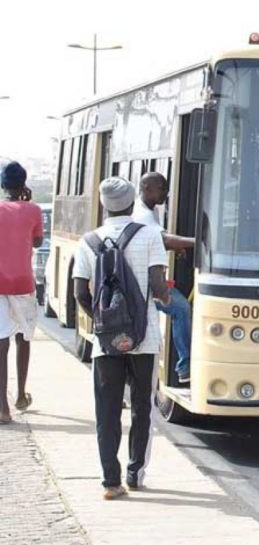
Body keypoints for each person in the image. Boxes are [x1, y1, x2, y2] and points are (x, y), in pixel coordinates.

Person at [73, 177, 170, 499]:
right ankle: (135, 474)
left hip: (106, 343)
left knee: (107, 409)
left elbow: (80, 294)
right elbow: (158, 287)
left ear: (103, 204)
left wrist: (105, 323)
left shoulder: (87, 241)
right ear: (132, 202)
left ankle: (110, 482)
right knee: (142, 407)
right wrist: (165, 300)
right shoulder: (151, 235)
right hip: (145, 338)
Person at [133, 172, 193, 384]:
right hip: (144, 283)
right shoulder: (142, 214)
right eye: (162, 189)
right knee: (182, 308)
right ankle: (185, 367)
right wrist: (197, 242)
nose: (166, 193)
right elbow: (163, 239)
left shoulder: (150, 210)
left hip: (144, 279)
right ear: (147, 188)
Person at [0, 162, 43, 424]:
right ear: (23, 184)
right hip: (23, 283)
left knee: (0, 342)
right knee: (23, 338)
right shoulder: (34, 210)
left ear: (2, 185)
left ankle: (2, 407)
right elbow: (37, 241)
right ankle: (20, 395)